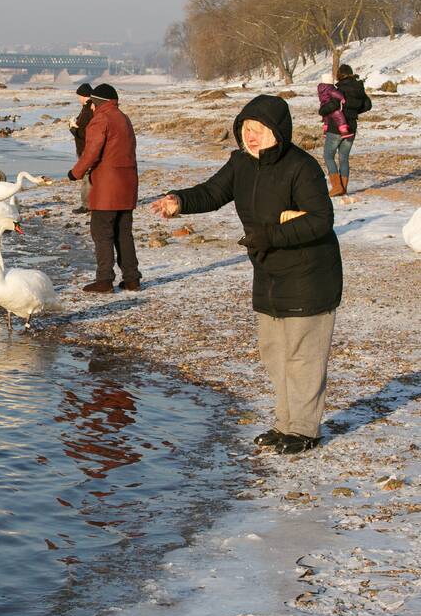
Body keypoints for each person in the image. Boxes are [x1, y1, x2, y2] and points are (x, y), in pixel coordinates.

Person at [150, 94, 342, 455]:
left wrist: (270, 234)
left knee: (303, 355)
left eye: (260, 130)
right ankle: (286, 423)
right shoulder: (241, 164)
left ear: (278, 132)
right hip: (269, 272)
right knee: (274, 353)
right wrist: (179, 200)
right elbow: (212, 192)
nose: (251, 136)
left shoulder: (301, 167)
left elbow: (321, 220)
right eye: (246, 129)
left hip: (310, 274)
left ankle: (304, 429)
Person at [67, 83, 140, 293]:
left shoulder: (101, 119)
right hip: (128, 183)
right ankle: (132, 279)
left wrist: (76, 172)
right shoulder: (123, 118)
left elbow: (92, 152)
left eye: (93, 102)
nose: (90, 106)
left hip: (108, 186)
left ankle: (105, 280)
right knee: (124, 233)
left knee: (101, 232)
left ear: (97, 101)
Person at [319, 63, 371, 196]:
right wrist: (353, 111)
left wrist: (322, 111)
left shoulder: (339, 89)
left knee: (328, 156)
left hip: (336, 127)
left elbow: (332, 105)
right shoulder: (359, 88)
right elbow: (367, 105)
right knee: (344, 158)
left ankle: (337, 187)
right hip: (351, 127)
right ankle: (343, 188)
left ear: (340, 75)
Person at [68, 83, 95, 214]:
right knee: (91, 176)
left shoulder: (88, 110)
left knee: (86, 177)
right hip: (87, 148)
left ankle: (87, 205)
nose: (78, 98)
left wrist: (72, 127)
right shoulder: (90, 107)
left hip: (86, 149)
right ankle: (92, 203)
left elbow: (84, 132)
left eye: (79, 96)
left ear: (84, 96)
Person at [316, 72, 352, 138]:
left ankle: (325, 131)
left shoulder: (320, 88)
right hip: (331, 105)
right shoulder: (330, 87)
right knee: (339, 116)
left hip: (323, 105)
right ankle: (344, 131)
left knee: (326, 120)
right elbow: (335, 93)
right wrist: (342, 98)